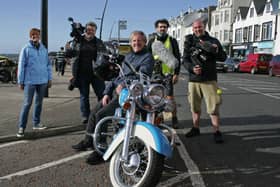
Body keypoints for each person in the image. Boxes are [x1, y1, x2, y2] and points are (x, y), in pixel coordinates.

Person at [72, 30, 155, 165]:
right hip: (117, 91)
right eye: (134, 41)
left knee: (102, 115)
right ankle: (88, 140)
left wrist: (123, 84)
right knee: (94, 112)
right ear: (130, 43)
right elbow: (116, 76)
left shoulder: (147, 57)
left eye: (139, 41)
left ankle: (101, 150)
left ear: (144, 42)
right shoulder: (127, 56)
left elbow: (142, 76)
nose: (136, 43)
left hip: (129, 94)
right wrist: (106, 93)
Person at [183, 19, 227, 143]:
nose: (198, 29)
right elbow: (185, 60)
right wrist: (192, 68)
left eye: (200, 27)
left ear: (204, 27)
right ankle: (195, 128)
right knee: (194, 106)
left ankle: (216, 131)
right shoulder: (189, 41)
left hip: (209, 79)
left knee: (213, 107)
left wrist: (215, 49)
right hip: (194, 80)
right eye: (195, 28)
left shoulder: (213, 40)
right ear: (193, 29)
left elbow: (223, 57)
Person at [65, 21, 106, 124]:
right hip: (81, 73)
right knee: (84, 96)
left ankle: (102, 114)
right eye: (88, 29)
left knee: (102, 94)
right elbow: (70, 55)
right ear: (85, 30)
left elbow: (104, 56)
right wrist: (68, 51)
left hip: (97, 73)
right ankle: (85, 116)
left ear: (95, 31)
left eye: (92, 30)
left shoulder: (99, 42)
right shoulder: (77, 41)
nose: (90, 32)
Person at [16, 28, 52, 137]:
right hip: (29, 81)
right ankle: (21, 127)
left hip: (42, 81)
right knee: (27, 103)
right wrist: (20, 81)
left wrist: (49, 78)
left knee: (39, 103)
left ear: (39, 36)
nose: (34, 36)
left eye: (36, 34)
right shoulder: (26, 49)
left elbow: (48, 65)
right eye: (32, 34)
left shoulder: (44, 49)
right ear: (30, 36)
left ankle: (36, 123)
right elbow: (21, 66)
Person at [147, 18, 181, 128]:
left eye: (164, 27)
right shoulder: (152, 41)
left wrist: (176, 73)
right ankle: (159, 120)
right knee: (156, 98)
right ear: (156, 28)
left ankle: (174, 118)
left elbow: (177, 58)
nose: (162, 28)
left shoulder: (172, 41)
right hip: (155, 73)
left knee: (170, 98)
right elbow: (147, 57)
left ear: (167, 28)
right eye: (160, 27)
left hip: (168, 74)